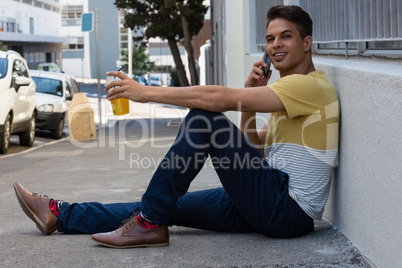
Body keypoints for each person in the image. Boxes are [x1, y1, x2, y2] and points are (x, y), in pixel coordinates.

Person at [14, 5, 339, 249]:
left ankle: (148, 224)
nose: (276, 45)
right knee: (163, 205)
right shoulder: (291, 94)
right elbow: (254, 147)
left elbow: (217, 99)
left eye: (286, 36)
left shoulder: (309, 87)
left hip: (287, 212)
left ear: (307, 42)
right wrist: (250, 97)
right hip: (268, 199)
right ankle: (59, 212)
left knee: (204, 119)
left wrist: (145, 93)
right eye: (270, 38)